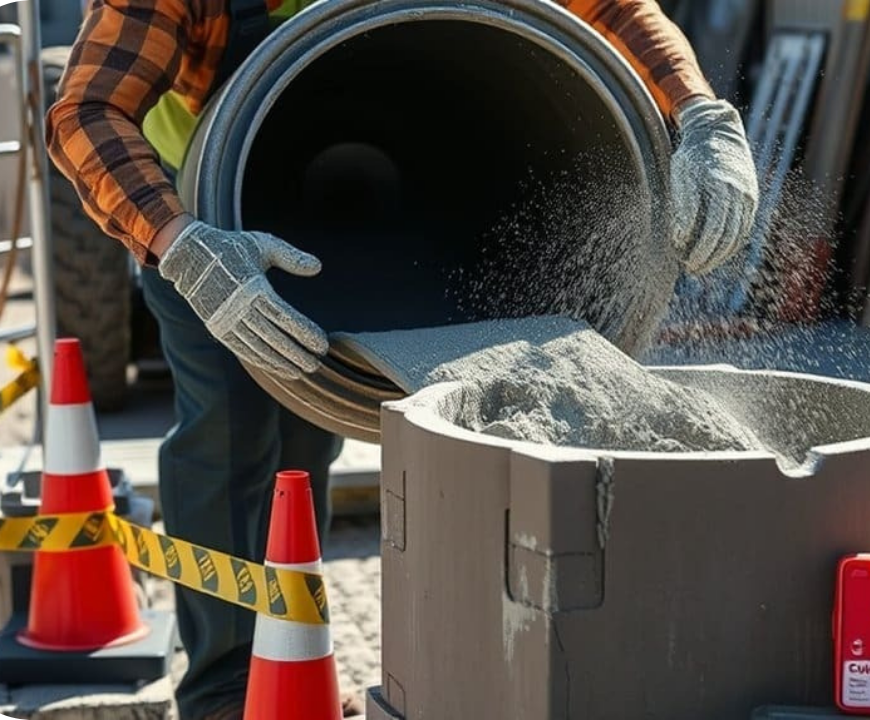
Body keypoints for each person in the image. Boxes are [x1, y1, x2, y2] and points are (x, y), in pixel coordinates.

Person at [46, 1, 759, 718]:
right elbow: (85, 111)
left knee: (300, 447)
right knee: (230, 440)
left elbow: (613, 8)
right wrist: (181, 242)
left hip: (420, 187)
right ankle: (227, 691)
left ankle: (290, 666)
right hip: (216, 222)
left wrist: (700, 115)